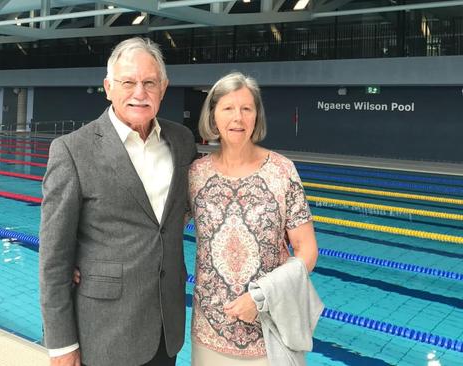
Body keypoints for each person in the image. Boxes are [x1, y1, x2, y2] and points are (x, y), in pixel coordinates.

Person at [39, 37, 197, 366]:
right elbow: (54, 259)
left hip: (166, 330)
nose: (140, 92)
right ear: (108, 87)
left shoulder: (181, 140)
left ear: (163, 88)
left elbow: (180, 211)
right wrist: (61, 345)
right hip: (106, 333)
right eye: (128, 82)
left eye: (149, 82)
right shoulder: (73, 150)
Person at [188, 72, 319, 365]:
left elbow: (307, 251)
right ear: (213, 115)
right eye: (228, 108)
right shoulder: (195, 175)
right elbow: (157, 227)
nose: (238, 118)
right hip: (209, 332)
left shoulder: (282, 172)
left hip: (269, 331)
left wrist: (261, 296)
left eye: (246, 109)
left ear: (256, 116)